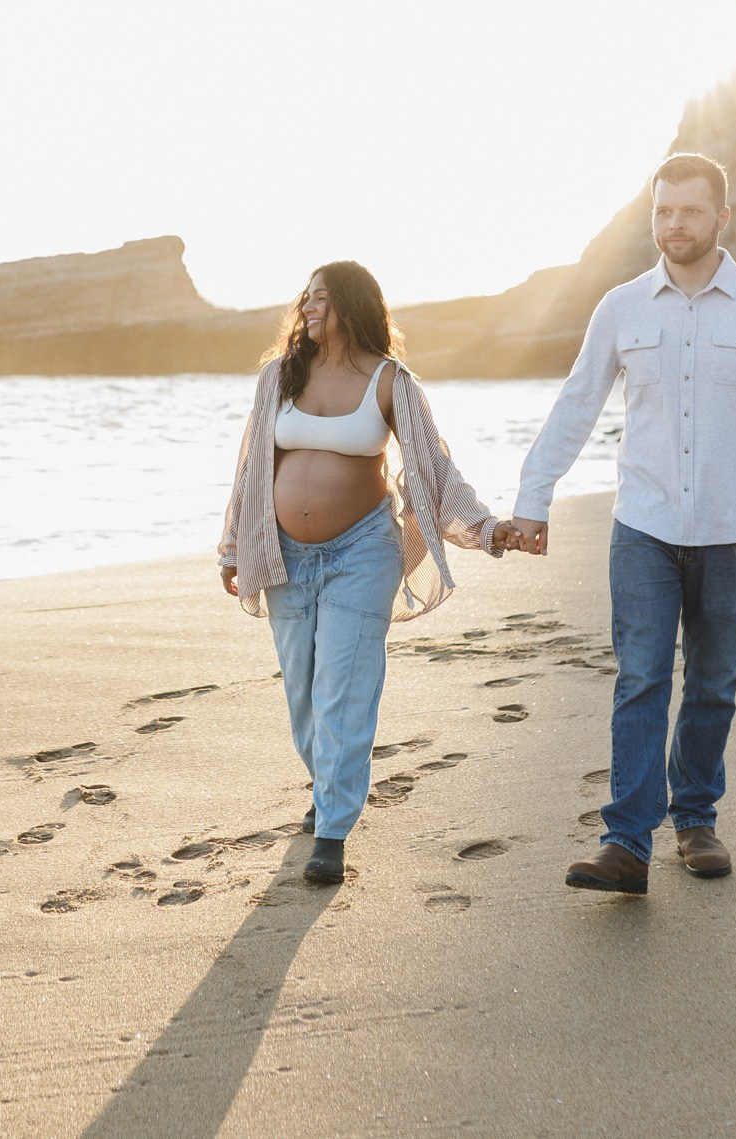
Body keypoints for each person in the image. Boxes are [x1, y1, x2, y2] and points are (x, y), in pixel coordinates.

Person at [499, 153, 736, 896]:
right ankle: (626, 843)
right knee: (641, 676)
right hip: (643, 523)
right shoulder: (621, 307)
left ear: (722, 218)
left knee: (712, 681)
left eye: (689, 211)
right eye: (663, 211)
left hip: (734, 526)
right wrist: (533, 495)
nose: (674, 224)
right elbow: (577, 403)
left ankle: (697, 817)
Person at [220, 261, 515, 886]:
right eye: (307, 298)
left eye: (322, 298)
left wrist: (486, 529)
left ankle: (333, 828)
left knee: (344, 687)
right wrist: (230, 548)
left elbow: (435, 467)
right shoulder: (281, 376)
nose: (309, 309)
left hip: (363, 552)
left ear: (353, 306)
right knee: (302, 692)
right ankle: (327, 785)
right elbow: (251, 466)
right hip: (285, 557)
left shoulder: (391, 382)